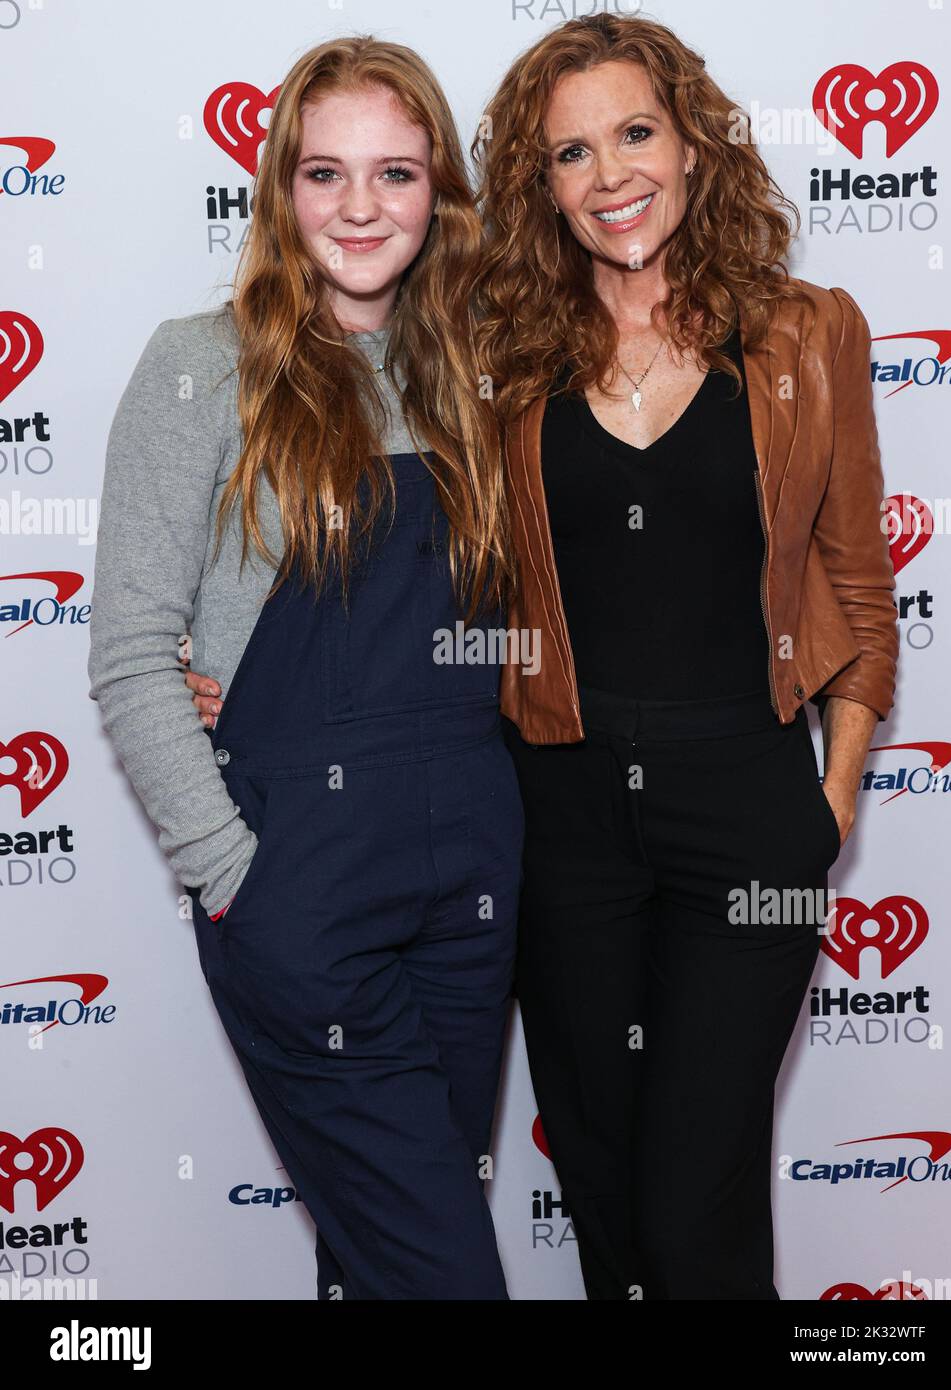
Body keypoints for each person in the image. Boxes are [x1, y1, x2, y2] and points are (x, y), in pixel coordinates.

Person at [88, 36, 523, 1301]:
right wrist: (235, 878)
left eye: (395, 172)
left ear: (440, 189)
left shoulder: (476, 372)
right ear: (280, 189)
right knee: (445, 1276)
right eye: (324, 174)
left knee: (377, 1252)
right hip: (303, 892)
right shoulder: (199, 364)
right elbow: (127, 655)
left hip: (470, 890)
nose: (359, 208)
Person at [472, 14, 899, 1299]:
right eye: (570, 154)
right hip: (564, 814)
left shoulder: (806, 335)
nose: (610, 176)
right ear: (538, 187)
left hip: (748, 811)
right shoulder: (499, 355)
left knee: (692, 1202)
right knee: (605, 1189)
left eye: (636, 133)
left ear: (696, 144)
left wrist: (828, 801)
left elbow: (855, 583)